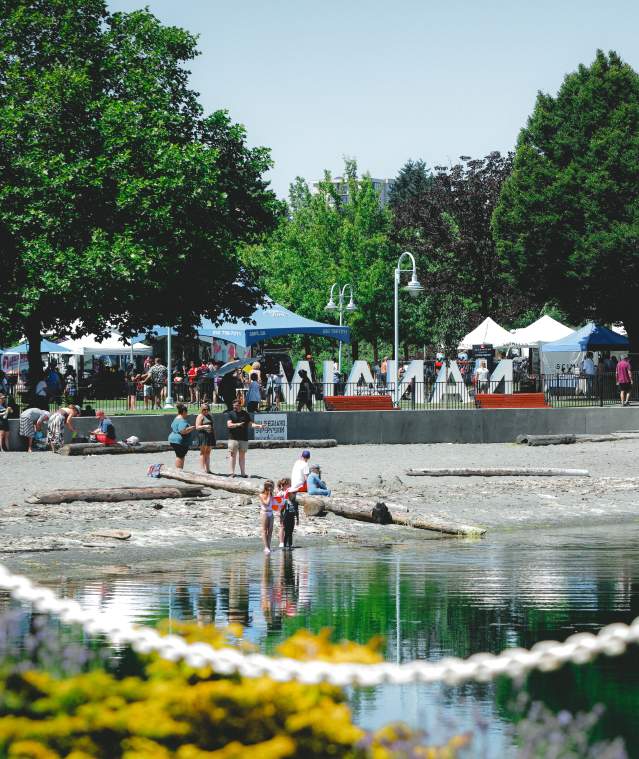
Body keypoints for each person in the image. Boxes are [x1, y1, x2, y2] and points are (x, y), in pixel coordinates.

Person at [226, 397, 264, 477]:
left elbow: (251, 424)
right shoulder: (230, 413)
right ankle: (231, 473)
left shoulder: (245, 414)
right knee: (233, 455)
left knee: (242, 456)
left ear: (240, 405)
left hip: (243, 438)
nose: (234, 407)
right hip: (233, 438)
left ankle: (243, 473)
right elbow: (229, 425)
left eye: (236, 405)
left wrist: (259, 426)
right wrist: (237, 424)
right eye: (234, 405)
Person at [168, 402, 196, 470]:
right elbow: (182, 431)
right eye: (186, 412)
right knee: (181, 456)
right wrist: (191, 428)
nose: (187, 414)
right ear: (183, 412)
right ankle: (179, 471)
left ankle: (178, 470)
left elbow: (172, 426)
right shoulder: (182, 420)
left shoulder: (176, 418)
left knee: (178, 456)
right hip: (179, 441)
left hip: (173, 440)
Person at [195, 403, 216, 473]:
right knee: (203, 452)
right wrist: (205, 426)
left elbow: (212, 425)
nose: (206, 411)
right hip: (203, 436)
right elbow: (197, 427)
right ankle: (202, 469)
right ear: (201, 409)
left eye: (207, 409)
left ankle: (208, 469)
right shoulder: (200, 416)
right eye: (204, 409)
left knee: (208, 452)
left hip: (210, 435)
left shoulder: (210, 415)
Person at [258, 479, 275, 554]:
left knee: (270, 530)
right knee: (264, 530)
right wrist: (268, 494)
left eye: (271, 486)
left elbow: (275, 504)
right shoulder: (261, 495)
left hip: (271, 512)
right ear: (266, 487)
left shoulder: (272, 494)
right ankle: (266, 547)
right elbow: (267, 503)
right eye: (269, 487)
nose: (270, 488)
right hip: (264, 513)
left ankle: (269, 546)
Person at [274, 477, 291, 548]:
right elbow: (276, 504)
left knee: (287, 527)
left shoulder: (288, 492)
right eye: (289, 484)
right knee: (282, 526)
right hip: (282, 511)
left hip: (288, 511)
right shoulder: (281, 493)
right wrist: (278, 512)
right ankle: (281, 542)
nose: (290, 486)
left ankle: (286, 541)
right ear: (284, 485)